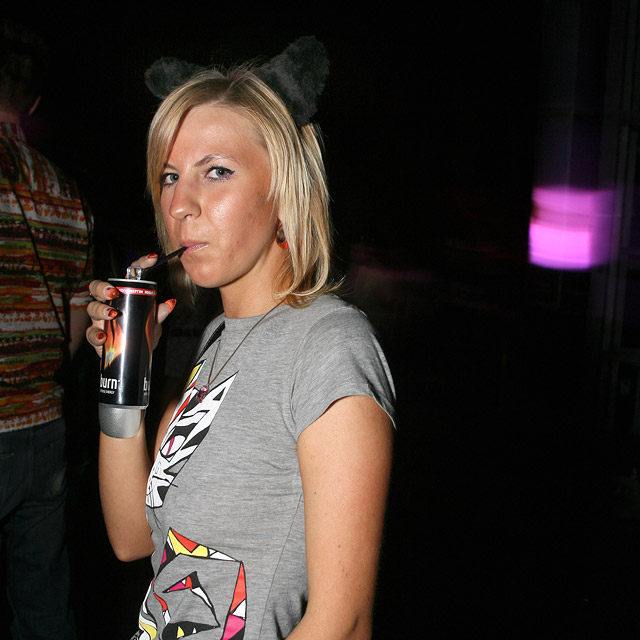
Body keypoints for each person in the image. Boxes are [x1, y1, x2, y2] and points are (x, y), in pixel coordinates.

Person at [86, 37, 394, 640]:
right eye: (170, 176)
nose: (180, 204)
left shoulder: (329, 346)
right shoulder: (218, 341)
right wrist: (123, 371)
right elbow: (132, 538)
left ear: (284, 187)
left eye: (216, 172)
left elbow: (344, 622)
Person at [0, 19, 93, 640]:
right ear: (33, 101)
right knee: (43, 606)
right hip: (45, 430)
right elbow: (74, 331)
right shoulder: (67, 192)